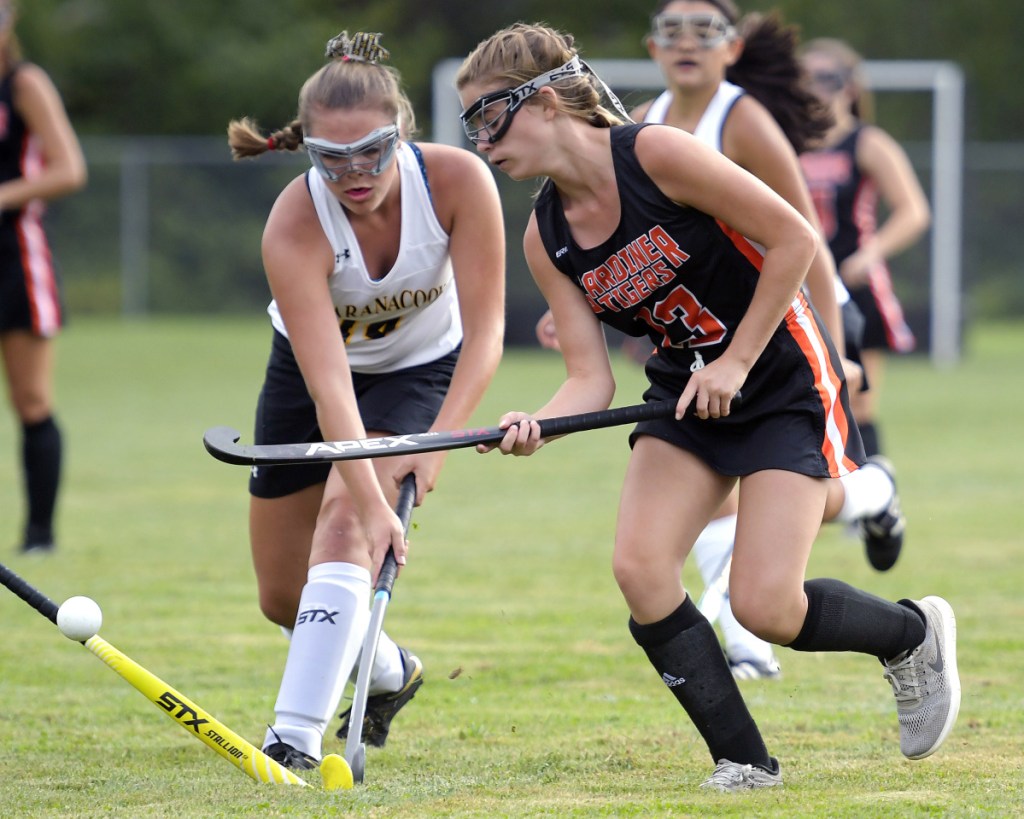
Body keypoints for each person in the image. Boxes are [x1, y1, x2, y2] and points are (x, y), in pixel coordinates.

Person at [456, 22, 959, 792]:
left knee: (765, 605)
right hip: (686, 394)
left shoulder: (656, 153)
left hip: (783, 378)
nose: (482, 142)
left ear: (547, 103)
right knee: (641, 569)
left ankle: (912, 634)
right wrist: (538, 422)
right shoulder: (545, 236)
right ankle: (745, 760)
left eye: (489, 118)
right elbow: (589, 378)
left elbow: (793, 240)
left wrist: (738, 359)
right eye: (472, 127)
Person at [533, 0, 901, 682]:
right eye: (672, 32)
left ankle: (865, 501)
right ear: (651, 48)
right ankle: (748, 618)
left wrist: (832, 340)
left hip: (799, 312)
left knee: (782, 488)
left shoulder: (742, 119)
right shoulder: (641, 125)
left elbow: (801, 234)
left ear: (731, 50)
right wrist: (582, 307)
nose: (687, 44)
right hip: (708, 332)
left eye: (705, 32)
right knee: (712, 485)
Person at [227, 31, 505, 769]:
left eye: (373, 151)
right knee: (284, 596)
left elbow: (486, 337)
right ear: (307, 149)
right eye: (331, 156)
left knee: (347, 521)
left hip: (421, 369)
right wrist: (377, 498)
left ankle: (292, 738)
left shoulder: (458, 183)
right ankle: (390, 671)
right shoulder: (293, 224)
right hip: (313, 378)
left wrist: (434, 445)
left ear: (403, 132)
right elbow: (328, 386)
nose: (354, 173)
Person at [799, 37, 930, 565]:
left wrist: (868, 254)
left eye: (827, 78)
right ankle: (853, 495)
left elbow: (913, 210)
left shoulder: (865, 142)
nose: (814, 88)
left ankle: (873, 499)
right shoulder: (778, 140)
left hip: (854, 290)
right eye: (804, 78)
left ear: (849, 87)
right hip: (796, 285)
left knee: (858, 398)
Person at [0, 0, 87, 555]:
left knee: (31, 400)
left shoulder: (23, 84)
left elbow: (68, 168)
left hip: (14, 257)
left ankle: (39, 538)